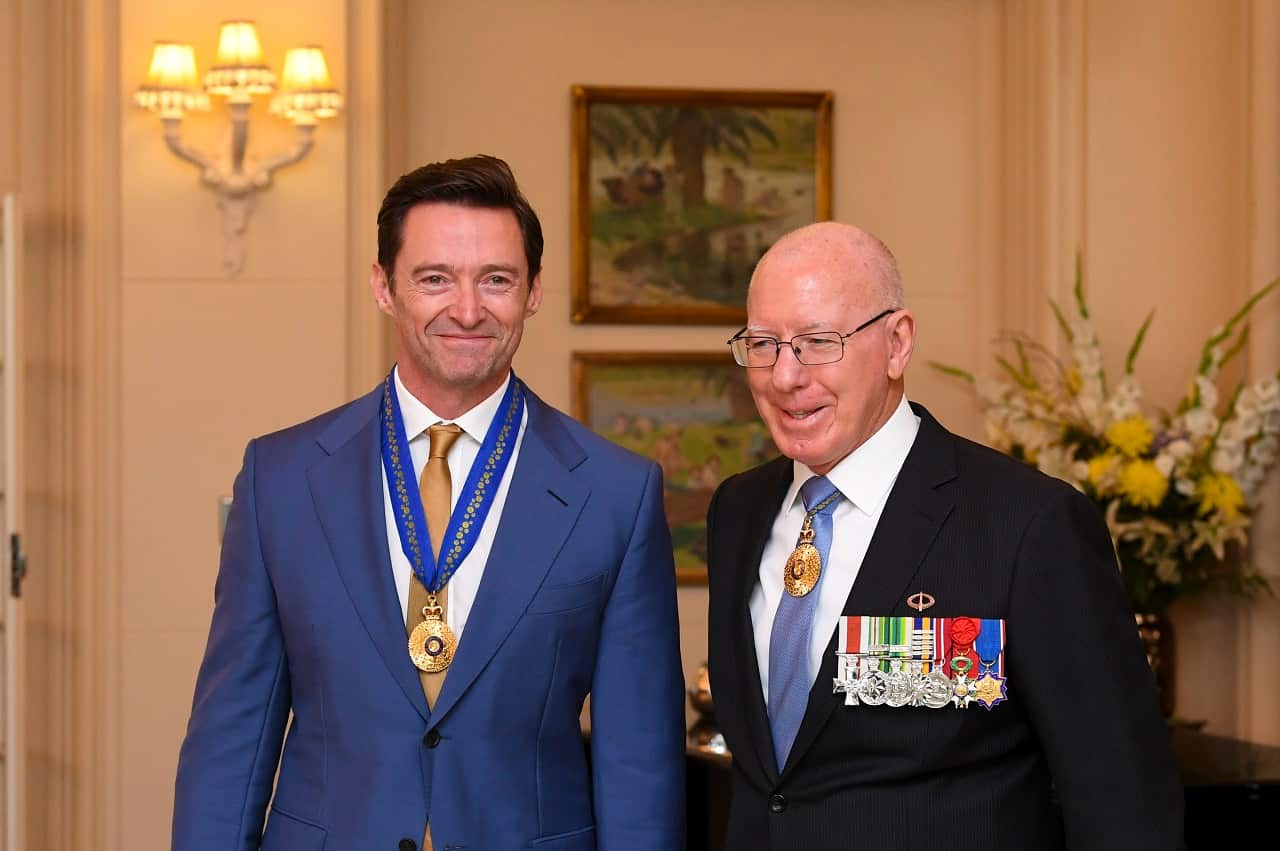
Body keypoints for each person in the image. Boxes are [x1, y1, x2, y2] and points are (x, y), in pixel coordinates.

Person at [172, 155, 685, 851]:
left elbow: (640, 763)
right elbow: (233, 734)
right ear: (384, 287)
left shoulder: (617, 493)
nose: (467, 310)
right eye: (435, 278)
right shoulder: (282, 480)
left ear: (534, 291)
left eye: (496, 279)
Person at [705, 222, 1184, 850]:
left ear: (897, 343)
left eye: (819, 342)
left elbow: (1122, 802)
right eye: (764, 344)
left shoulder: (1029, 524)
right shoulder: (738, 510)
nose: (785, 376)